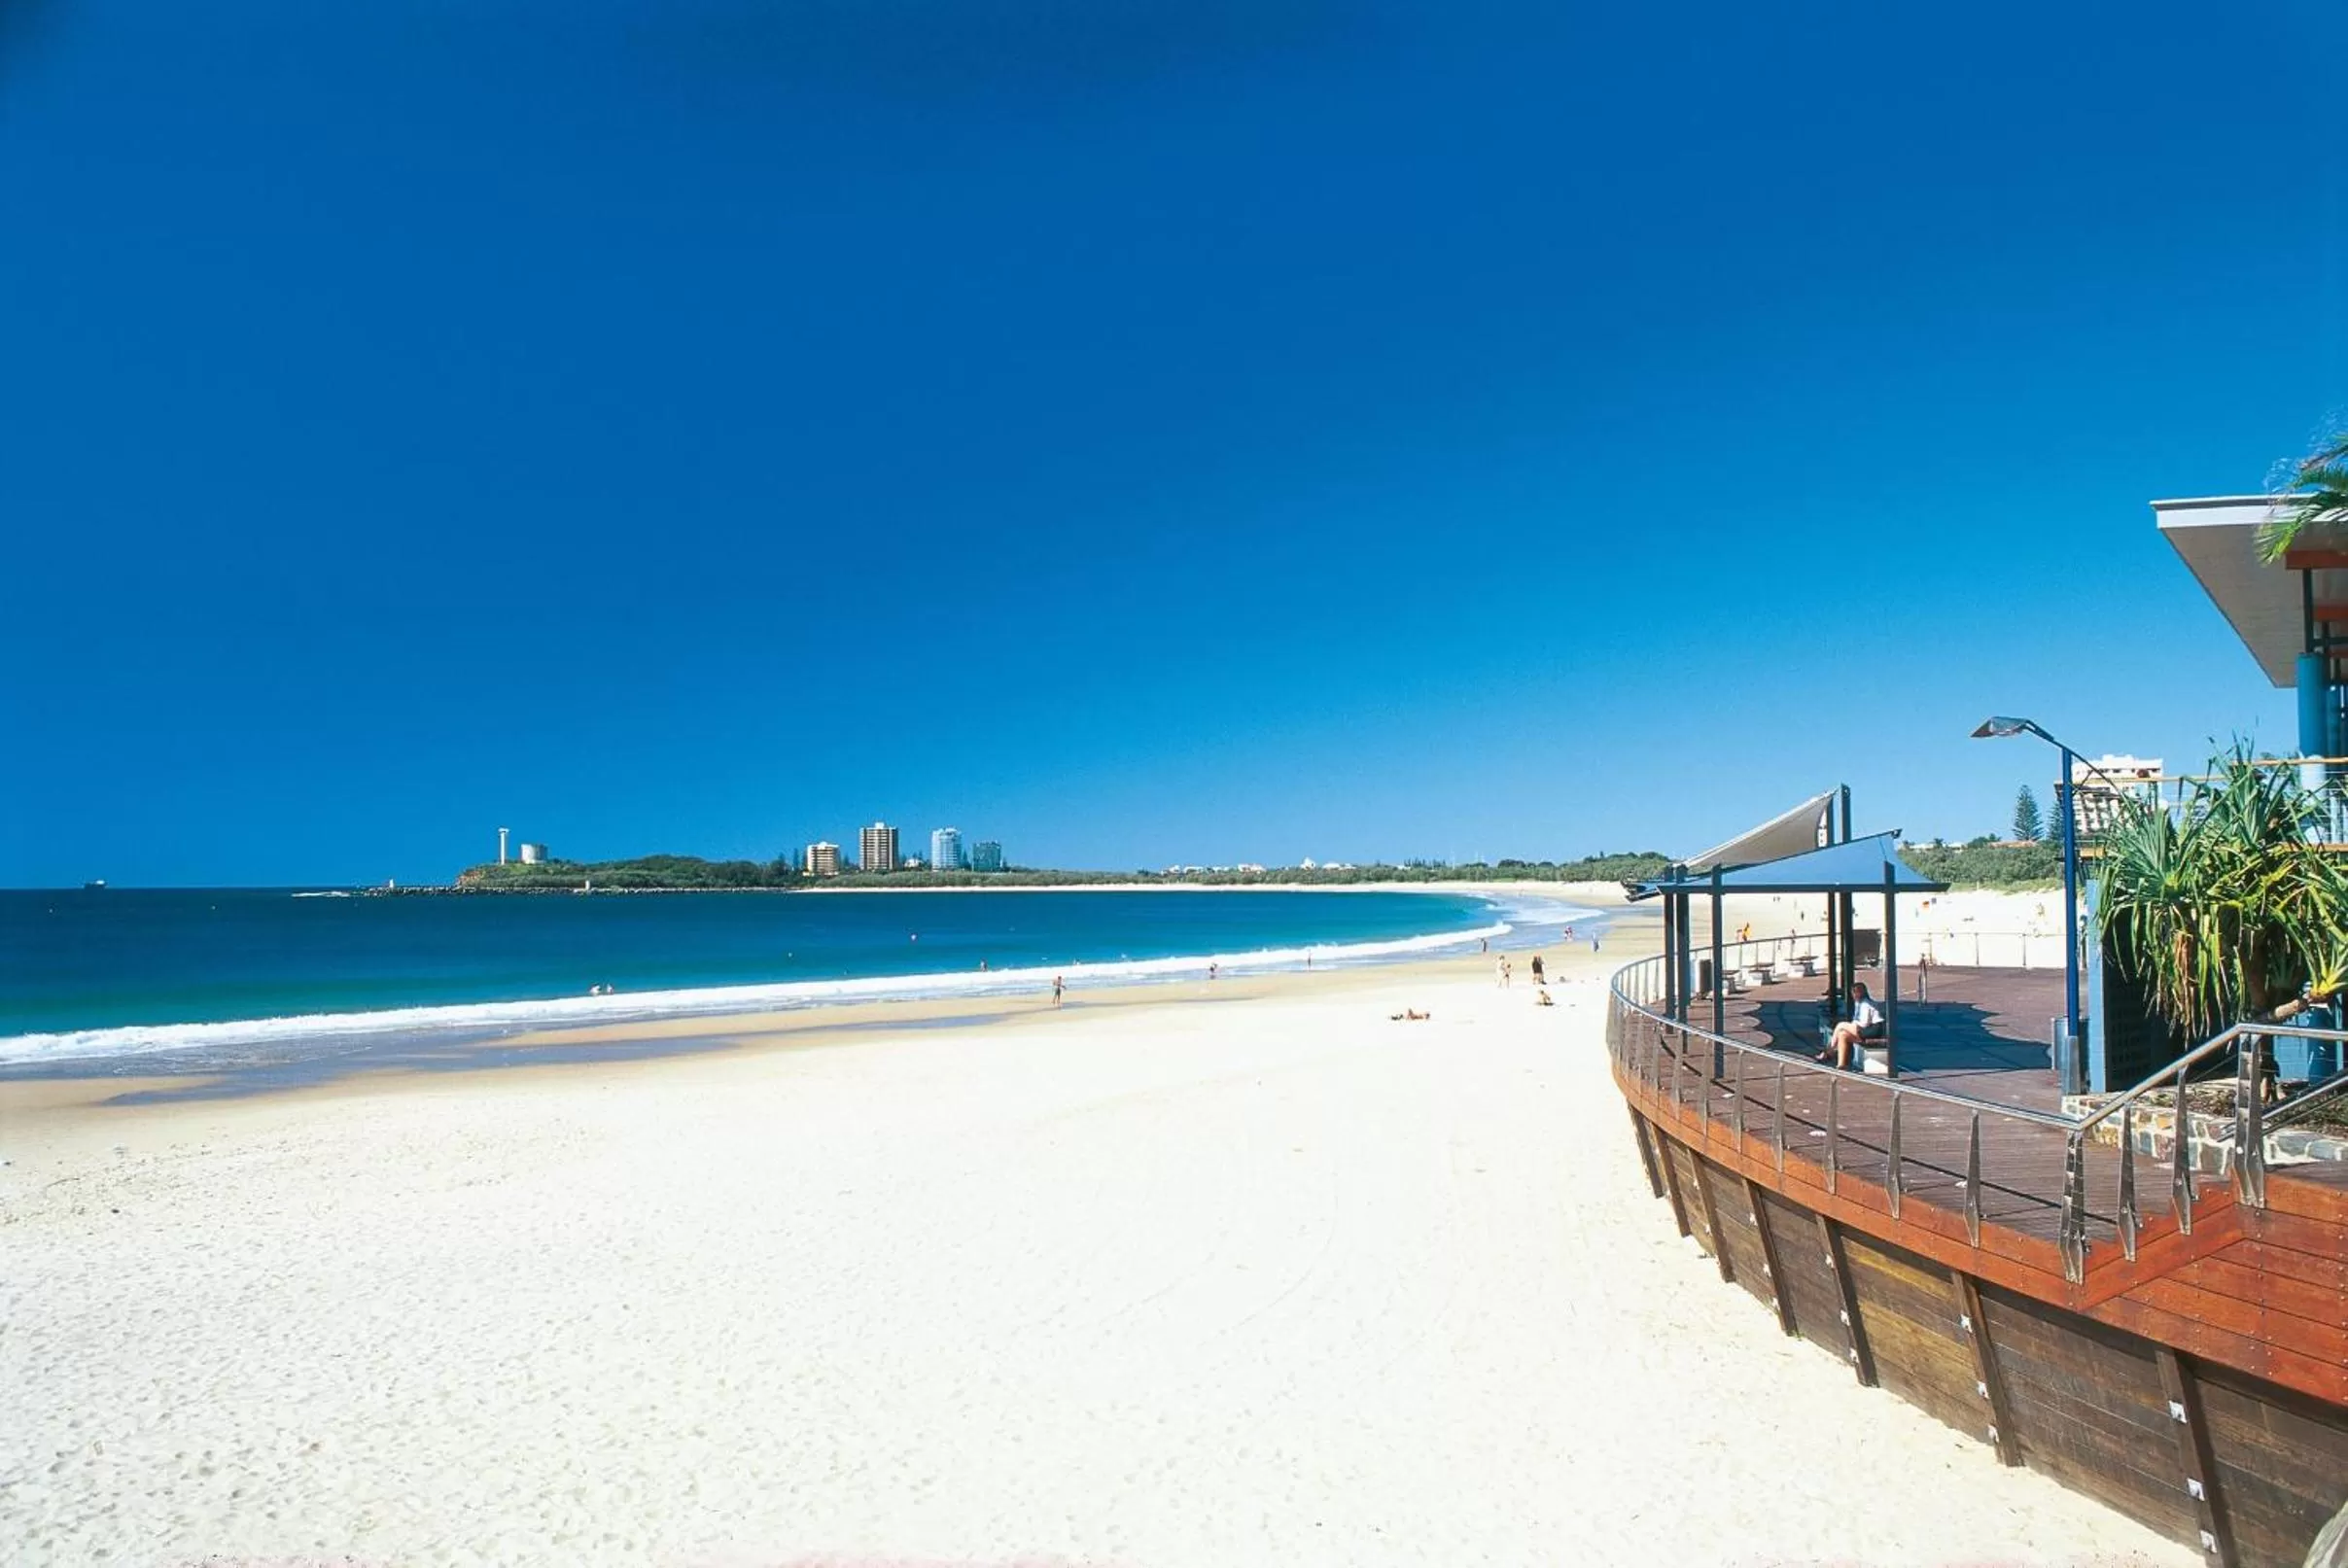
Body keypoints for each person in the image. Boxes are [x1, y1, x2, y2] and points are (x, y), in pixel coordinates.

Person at [1820, 981, 1883, 1069]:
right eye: (1853, 992)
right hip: (1865, 1029)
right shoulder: (1859, 1003)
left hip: (1872, 1030)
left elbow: (1864, 1023)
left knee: (1841, 1025)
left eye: (1856, 992)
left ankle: (1829, 1051)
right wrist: (1853, 1025)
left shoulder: (1866, 1003)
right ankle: (1841, 1064)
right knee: (1842, 1034)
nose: (1854, 995)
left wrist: (1853, 1025)